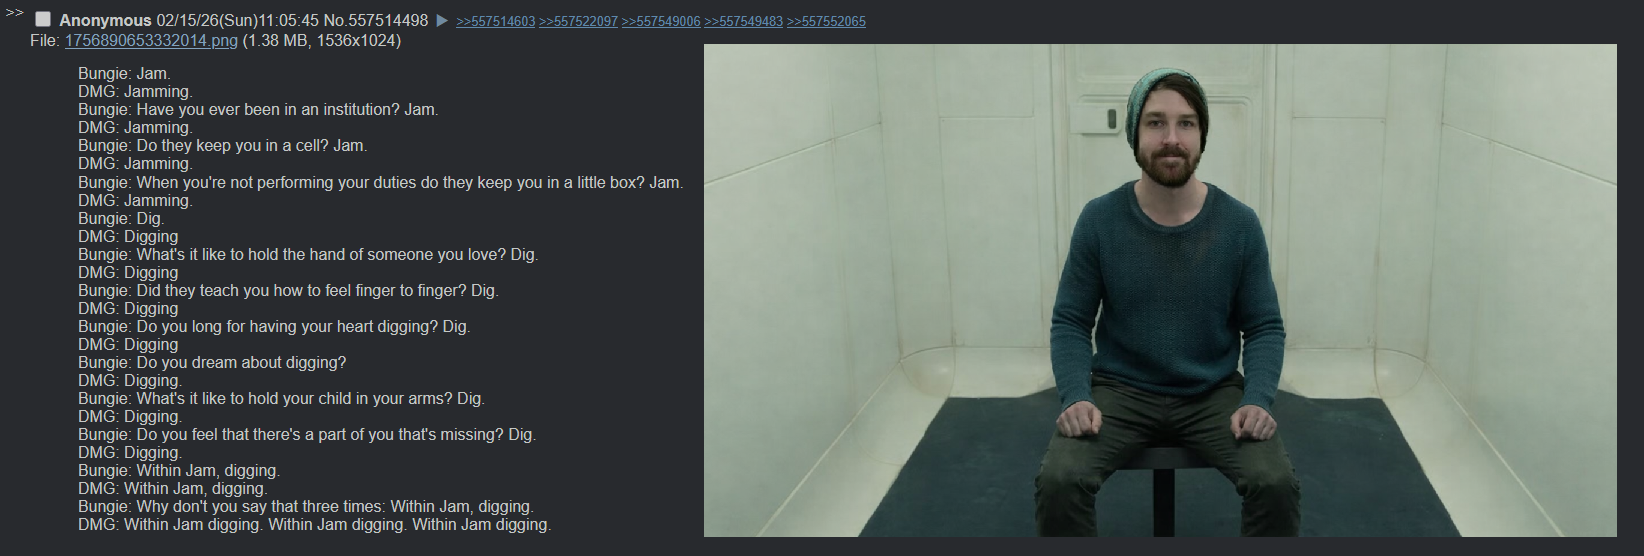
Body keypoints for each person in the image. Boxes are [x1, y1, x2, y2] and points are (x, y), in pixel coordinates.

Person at [1034, 68, 1300, 536]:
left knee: (1274, 483)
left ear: (1202, 135)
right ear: (1134, 134)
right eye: (1155, 122)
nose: (1172, 138)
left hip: (1211, 390)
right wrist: (1076, 395)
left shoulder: (1239, 225)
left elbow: (1264, 327)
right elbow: (1071, 321)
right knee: (1060, 480)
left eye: (1186, 123)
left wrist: (1258, 400)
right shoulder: (1099, 220)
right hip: (1121, 389)